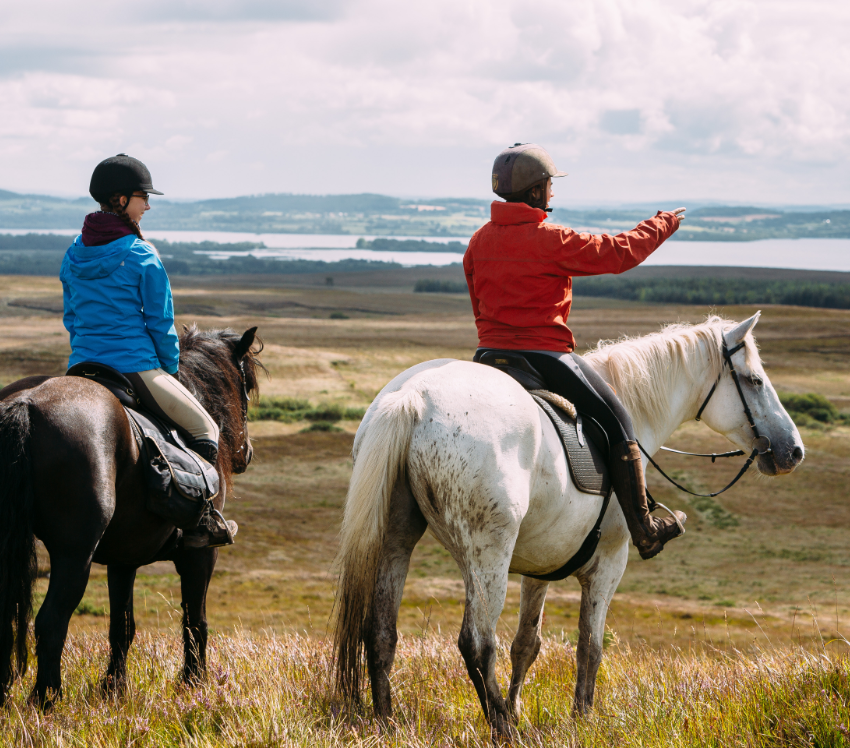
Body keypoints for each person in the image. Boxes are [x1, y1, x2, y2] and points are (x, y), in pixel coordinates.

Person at [464, 143, 687, 560]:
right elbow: (619, 254)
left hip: (488, 355)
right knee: (619, 422)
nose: (552, 191)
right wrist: (662, 224)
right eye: (549, 184)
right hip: (545, 356)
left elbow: (478, 302)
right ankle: (645, 529)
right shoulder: (550, 239)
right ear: (535, 191)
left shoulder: (479, 240)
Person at [60, 153, 237, 548]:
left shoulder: (74, 252)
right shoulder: (142, 254)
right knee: (206, 429)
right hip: (136, 366)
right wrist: (170, 370)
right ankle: (202, 522)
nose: (148, 206)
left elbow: (71, 318)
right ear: (121, 200)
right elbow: (161, 325)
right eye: (144, 197)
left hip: (82, 365)